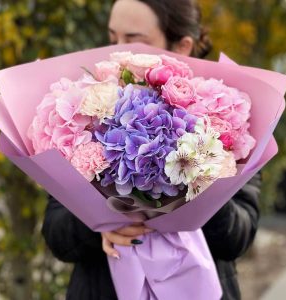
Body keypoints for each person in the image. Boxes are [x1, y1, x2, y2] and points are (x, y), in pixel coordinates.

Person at [42, 0, 261, 299]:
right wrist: (98, 226)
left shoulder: (223, 118)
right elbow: (56, 234)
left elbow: (239, 236)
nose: (116, 49)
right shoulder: (88, 115)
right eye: (112, 38)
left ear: (181, 46)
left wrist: (199, 181)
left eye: (133, 40)